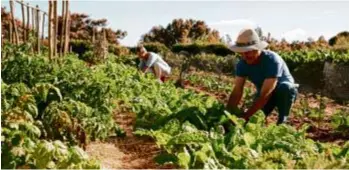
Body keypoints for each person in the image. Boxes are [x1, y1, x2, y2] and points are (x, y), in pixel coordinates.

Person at [226, 28, 298, 125]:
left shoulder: (272, 60)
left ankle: (282, 120)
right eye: (241, 52)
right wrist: (227, 113)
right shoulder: (242, 64)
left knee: (285, 88)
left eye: (247, 52)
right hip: (263, 93)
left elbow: (266, 94)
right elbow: (237, 91)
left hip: (282, 92)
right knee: (254, 121)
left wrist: (247, 115)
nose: (244, 56)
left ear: (257, 49)